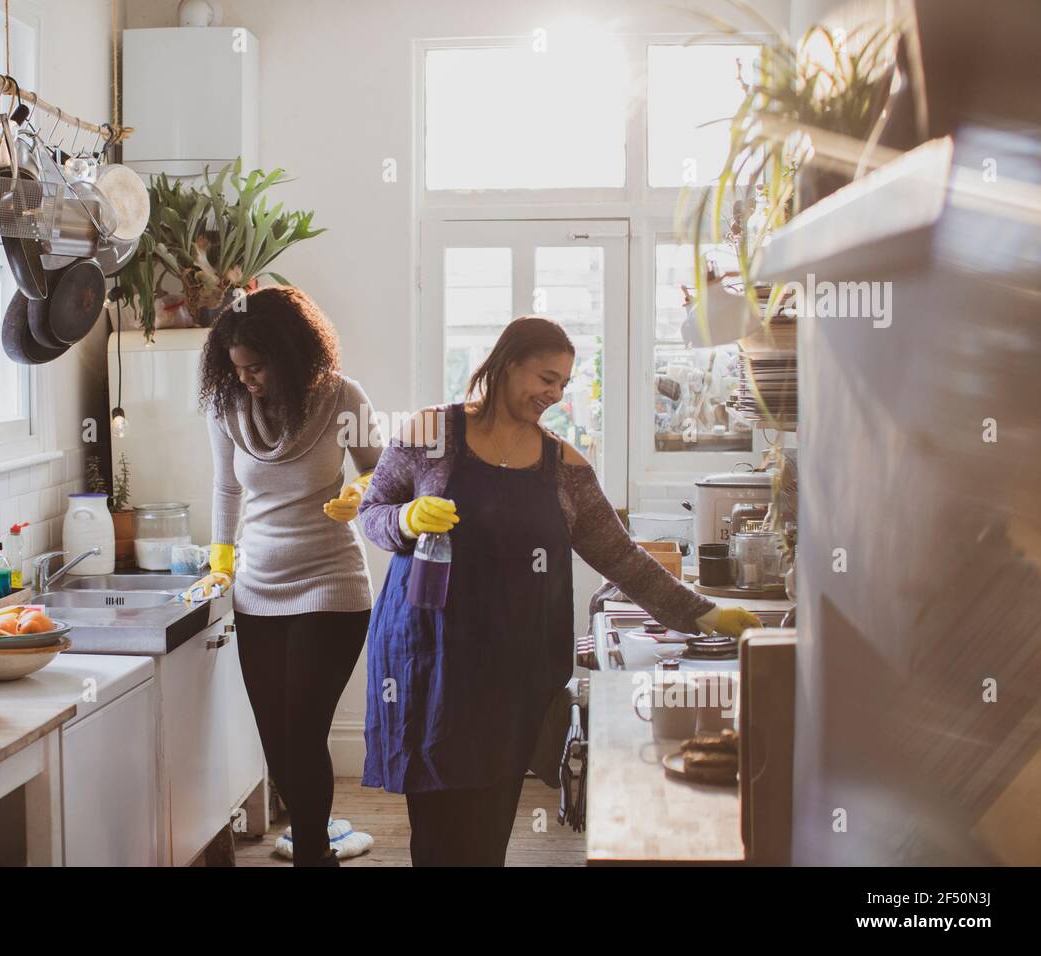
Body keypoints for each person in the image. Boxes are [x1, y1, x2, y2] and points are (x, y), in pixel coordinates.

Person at [357, 316, 759, 867]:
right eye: (546, 378)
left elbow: (623, 559)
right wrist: (405, 518)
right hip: (430, 659)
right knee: (434, 831)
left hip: (512, 670)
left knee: (489, 829)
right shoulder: (432, 433)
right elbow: (371, 513)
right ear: (505, 365)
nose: (555, 394)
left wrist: (706, 615)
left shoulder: (564, 467)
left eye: (564, 384)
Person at [185, 286, 384, 867]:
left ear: (292, 354)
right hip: (257, 589)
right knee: (276, 738)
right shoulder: (225, 405)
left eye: (258, 366)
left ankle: (313, 856)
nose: (246, 378)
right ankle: (312, 841)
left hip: (332, 583)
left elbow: (383, 472)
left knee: (302, 729)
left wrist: (359, 491)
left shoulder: (342, 397)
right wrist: (221, 559)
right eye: (236, 367)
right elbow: (225, 486)